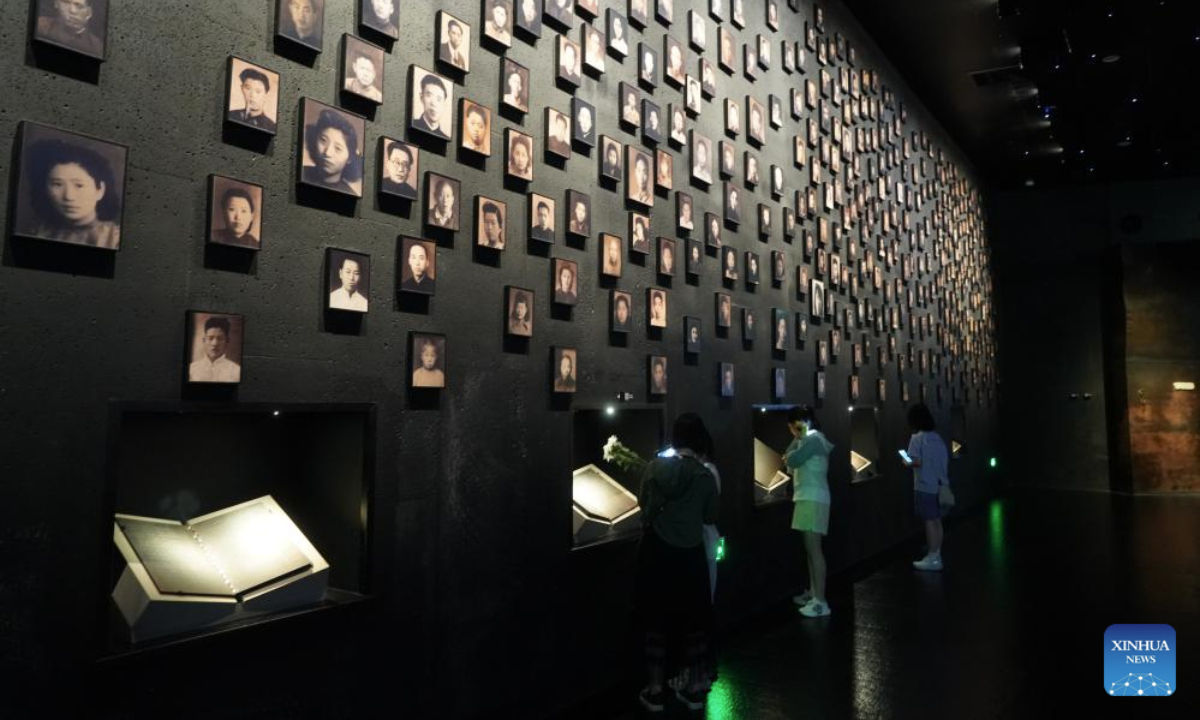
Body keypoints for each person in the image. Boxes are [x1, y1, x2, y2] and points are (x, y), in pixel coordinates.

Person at [635, 414, 718, 712]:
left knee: (655, 619)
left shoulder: (654, 468)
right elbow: (710, 516)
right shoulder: (705, 476)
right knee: (694, 620)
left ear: (675, 437)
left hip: (657, 552)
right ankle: (694, 689)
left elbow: (643, 505)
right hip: (691, 554)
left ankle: (655, 690)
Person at [21, 137, 121, 248]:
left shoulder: (115, 239)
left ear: (100, 190)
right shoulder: (37, 232)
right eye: (58, 184)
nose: (69, 196)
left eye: (79, 185)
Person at [785, 405, 834, 618]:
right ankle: (814, 594)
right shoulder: (810, 439)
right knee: (811, 549)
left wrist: (798, 436)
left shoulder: (813, 440)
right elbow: (789, 458)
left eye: (792, 426)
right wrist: (798, 438)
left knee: (814, 550)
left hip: (812, 498)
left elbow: (791, 459)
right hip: (809, 498)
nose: (792, 430)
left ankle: (820, 602)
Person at [902, 404, 951, 571]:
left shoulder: (917, 438)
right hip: (940, 485)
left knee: (929, 521)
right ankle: (937, 554)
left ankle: (932, 557)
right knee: (937, 521)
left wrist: (905, 461)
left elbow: (916, 462)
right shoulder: (937, 438)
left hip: (924, 486)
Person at [303, 107, 362, 194]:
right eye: (323, 140)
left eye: (338, 148)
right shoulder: (301, 172)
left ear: (349, 158)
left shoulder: (349, 194)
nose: (327, 153)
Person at [36, 0, 105, 57]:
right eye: (66, 2)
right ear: (56, 3)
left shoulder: (97, 48)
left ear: (89, 13)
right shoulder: (39, 25)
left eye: (79, 6)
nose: (72, 10)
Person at [189, 316, 242, 383]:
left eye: (220, 339)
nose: (215, 343)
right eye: (210, 338)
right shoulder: (191, 369)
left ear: (227, 341)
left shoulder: (237, 371)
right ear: (204, 340)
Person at [230, 66, 276, 133]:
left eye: (258, 91)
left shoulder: (271, 127)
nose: (252, 95)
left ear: (266, 95)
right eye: (248, 88)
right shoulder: (231, 115)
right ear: (242, 89)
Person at [413, 73, 450, 139]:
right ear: (421, 97)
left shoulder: (444, 138)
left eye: (439, 99)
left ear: (444, 104)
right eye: (429, 95)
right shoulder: (413, 124)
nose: (434, 103)